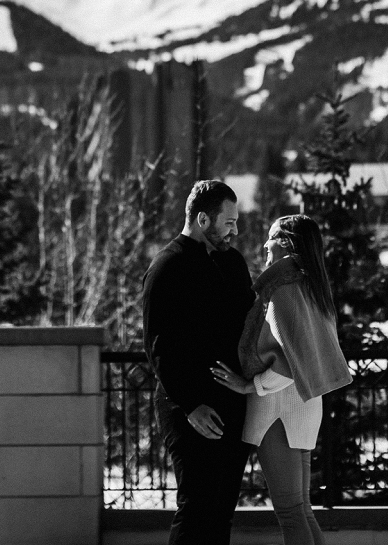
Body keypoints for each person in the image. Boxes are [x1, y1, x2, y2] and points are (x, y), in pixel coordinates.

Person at [212, 214, 351, 545]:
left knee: (290, 513)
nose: (264, 245)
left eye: (271, 238)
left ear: (286, 244)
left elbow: (291, 360)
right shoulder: (311, 286)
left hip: (278, 409)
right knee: (302, 511)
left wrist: (251, 385)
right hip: (303, 406)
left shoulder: (282, 287)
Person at [141, 180, 256, 545]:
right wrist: (191, 405)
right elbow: (159, 347)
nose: (235, 230)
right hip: (188, 408)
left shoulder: (233, 263)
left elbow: (250, 326)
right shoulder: (167, 267)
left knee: (222, 510)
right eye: (229, 222)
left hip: (232, 405)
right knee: (196, 508)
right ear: (203, 219)